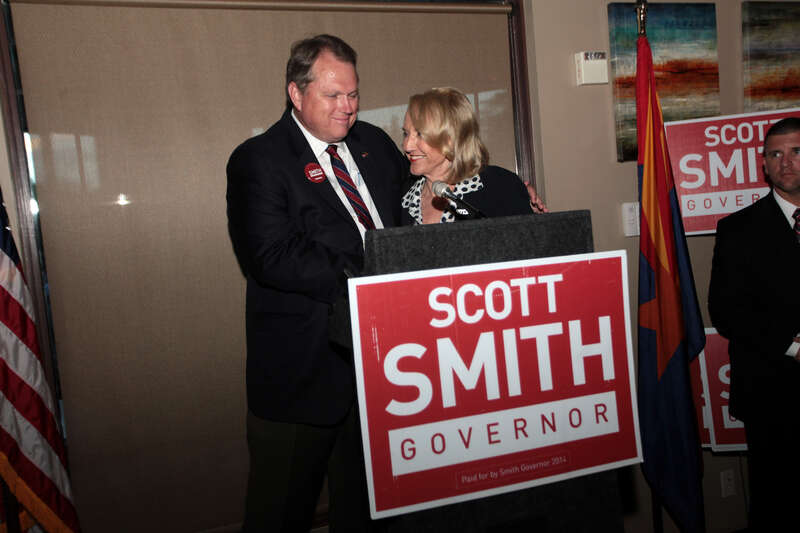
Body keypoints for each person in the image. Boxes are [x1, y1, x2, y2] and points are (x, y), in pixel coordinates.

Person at [226, 34, 407, 532]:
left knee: (369, 512)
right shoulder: (259, 160)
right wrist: (378, 272)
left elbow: (419, 202)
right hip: (301, 374)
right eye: (333, 95)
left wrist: (502, 190)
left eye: (353, 94)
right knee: (279, 513)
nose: (347, 107)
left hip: (379, 372)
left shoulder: (373, 144)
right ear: (295, 92)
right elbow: (273, 256)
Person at [708, 117, 800, 530]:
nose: (787, 163)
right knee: (778, 505)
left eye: (797, 152)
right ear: (763, 165)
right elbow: (725, 311)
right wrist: (795, 345)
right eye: (776, 155)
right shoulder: (737, 230)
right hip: (772, 393)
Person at [400, 87, 547, 224]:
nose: (407, 146)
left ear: (451, 138)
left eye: (420, 134)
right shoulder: (402, 199)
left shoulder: (500, 187)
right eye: (406, 134)